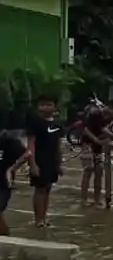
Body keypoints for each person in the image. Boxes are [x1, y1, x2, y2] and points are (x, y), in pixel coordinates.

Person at [26, 95, 64, 227]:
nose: (45, 107)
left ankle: (44, 217)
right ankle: (38, 220)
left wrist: (59, 163)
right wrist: (32, 163)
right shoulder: (35, 122)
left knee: (48, 188)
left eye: (48, 104)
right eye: (42, 104)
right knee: (40, 189)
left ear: (54, 107)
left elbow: (59, 144)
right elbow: (31, 144)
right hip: (39, 159)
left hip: (52, 160)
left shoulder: (58, 123)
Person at [0, 130, 31, 236]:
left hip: (3, 184)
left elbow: (28, 154)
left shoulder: (8, 140)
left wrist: (13, 168)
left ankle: (6, 237)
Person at [79, 103, 111, 204]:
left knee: (99, 172)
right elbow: (85, 129)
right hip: (88, 145)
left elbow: (105, 131)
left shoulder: (110, 119)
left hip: (98, 147)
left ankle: (97, 198)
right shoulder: (95, 114)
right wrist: (96, 140)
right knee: (88, 170)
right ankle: (84, 199)